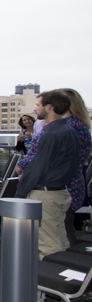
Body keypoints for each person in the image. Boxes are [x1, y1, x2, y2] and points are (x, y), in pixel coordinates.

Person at [16, 90, 79, 258]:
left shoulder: (51, 134)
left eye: (38, 105)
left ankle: (50, 282)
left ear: (49, 107)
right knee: (60, 240)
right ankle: (63, 276)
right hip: (59, 191)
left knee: (48, 246)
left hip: (46, 195)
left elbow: (38, 167)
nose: (35, 109)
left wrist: (21, 193)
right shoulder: (69, 130)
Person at [60, 88, 91, 246]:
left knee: (63, 229)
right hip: (75, 181)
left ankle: (64, 264)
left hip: (66, 184)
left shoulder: (70, 127)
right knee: (66, 227)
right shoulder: (80, 125)